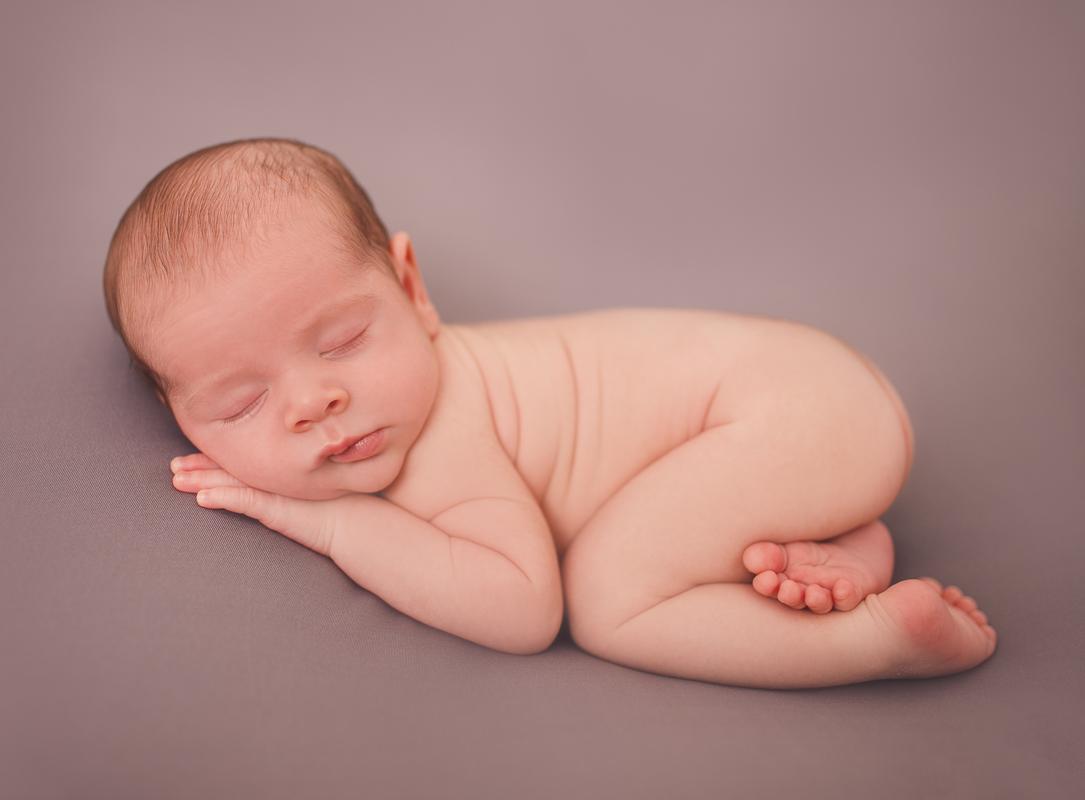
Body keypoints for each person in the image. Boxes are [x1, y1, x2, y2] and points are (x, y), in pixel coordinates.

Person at [103, 138, 996, 688]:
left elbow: (523, 608)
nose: (314, 402)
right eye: (243, 403)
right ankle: (846, 542)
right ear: (184, 422)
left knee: (609, 600)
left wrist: (331, 525)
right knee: (664, 530)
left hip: (786, 409)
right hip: (818, 408)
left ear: (412, 288)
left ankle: (878, 646)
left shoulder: (445, 427)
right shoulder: (400, 403)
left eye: (340, 343)